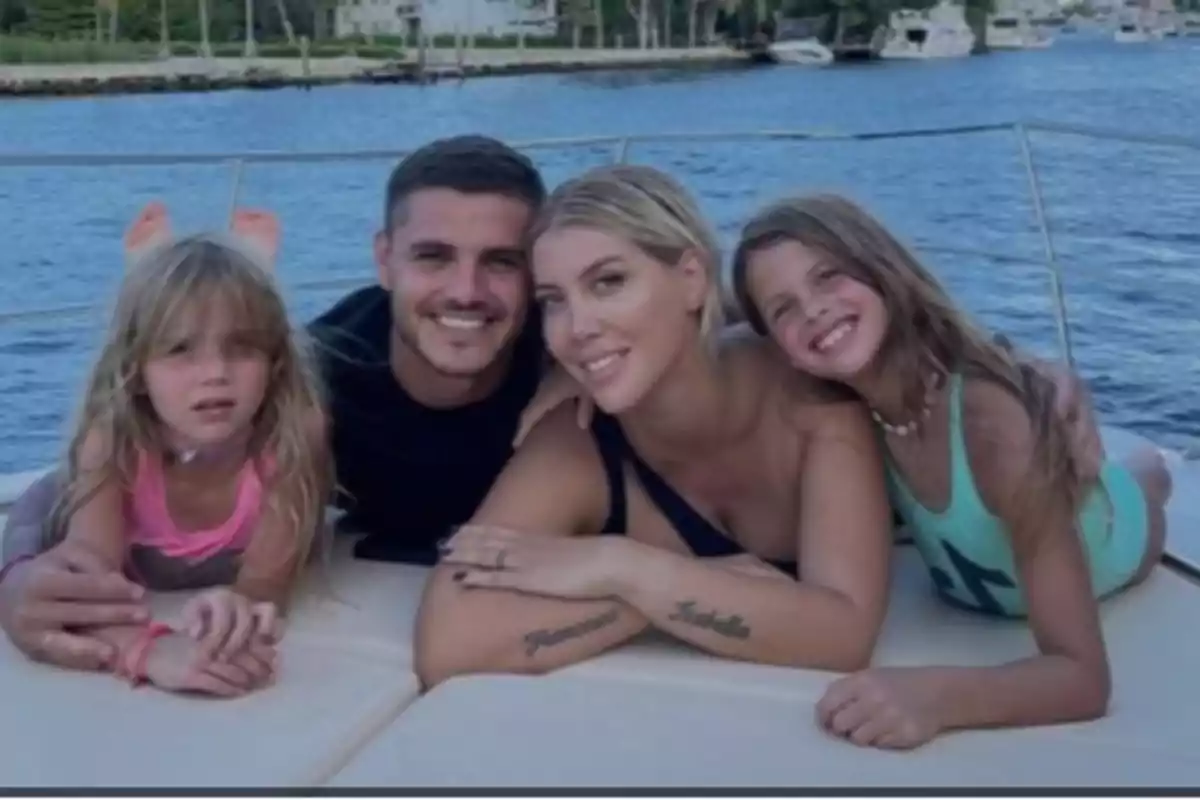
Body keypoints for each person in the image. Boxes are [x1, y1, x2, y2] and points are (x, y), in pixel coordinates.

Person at [0, 135, 547, 671]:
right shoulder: (314, 378)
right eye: (433, 256)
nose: (466, 291)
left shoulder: (573, 371)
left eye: (501, 262)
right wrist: (16, 575)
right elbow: (79, 473)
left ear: (536, 272)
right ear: (384, 259)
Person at [416, 164, 896, 689]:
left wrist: (624, 566)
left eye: (608, 282)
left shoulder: (808, 398)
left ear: (691, 278)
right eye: (553, 301)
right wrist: (646, 592)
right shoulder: (579, 438)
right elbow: (448, 645)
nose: (577, 329)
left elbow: (844, 635)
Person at [729, 193, 1172, 749]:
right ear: (781, 351)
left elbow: (1083, 678)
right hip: (990, 558)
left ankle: (1150, 470)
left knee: (1144, 482)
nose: (812, 309)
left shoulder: (994, 432)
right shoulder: (854, 420)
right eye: (783, 308)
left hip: (1118, 539)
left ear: (881, 269)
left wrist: (938, 698)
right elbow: (712, 335)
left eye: (828, 276)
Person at [1, 202, 329, 696]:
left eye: (242, 348)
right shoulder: (112, 441)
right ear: (136, 370)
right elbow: (91, 578)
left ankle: (217, 287)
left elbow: (267, 585)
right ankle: (158, 271)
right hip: (61, 500)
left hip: (189, 530)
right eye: (180, 350)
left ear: (275, 363)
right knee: (25, 561)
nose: (215, 372)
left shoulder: (294, 435)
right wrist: (146, 649)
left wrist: (234, 614)